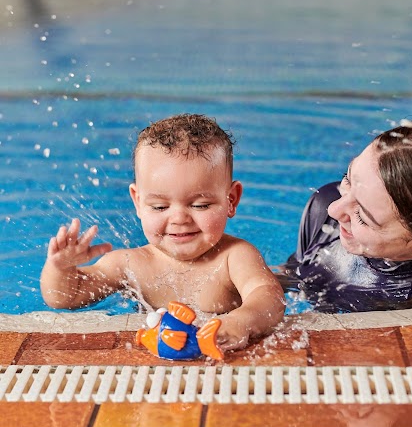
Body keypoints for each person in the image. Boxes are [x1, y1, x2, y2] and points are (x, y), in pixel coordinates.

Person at [41, 113, 285, 352]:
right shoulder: (129, 264)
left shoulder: (235, 257)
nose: (179, 219)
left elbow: (269, 298)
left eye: (200, 205)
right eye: (159, 206)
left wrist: (240, 321)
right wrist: (61, 269)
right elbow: (65, 298)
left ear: (230, 200)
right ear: (138, 202)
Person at [279, 115, 412, 313]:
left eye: (362, 218)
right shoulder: (323, 206)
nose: (334, 209)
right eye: (347, 179)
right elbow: (294, 274)